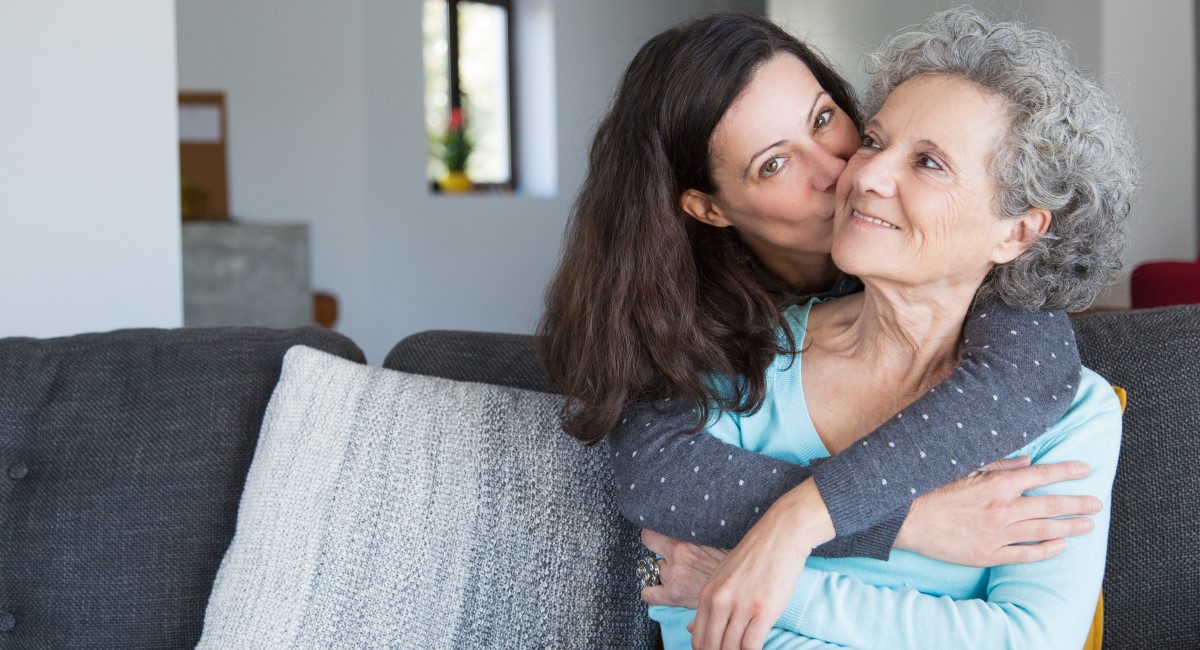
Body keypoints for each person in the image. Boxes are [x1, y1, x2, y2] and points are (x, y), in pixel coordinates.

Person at [537, 8, 1097, 594]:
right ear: (710, 208)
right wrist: (903, 522)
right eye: (773, 163)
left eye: (824, 119)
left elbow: (1031, 369)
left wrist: (802, 518)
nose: (841, 170)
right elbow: (660, 475)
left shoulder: (941, 252)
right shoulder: (685, 319)